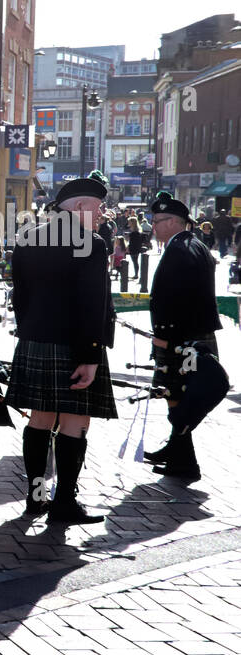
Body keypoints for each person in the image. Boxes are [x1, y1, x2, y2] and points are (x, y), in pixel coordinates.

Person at [6, 172, 116, 524]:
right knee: (75, 421)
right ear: (80, 206)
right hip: (73, 346)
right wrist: (90, 356)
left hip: (35, 341)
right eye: (97, 207)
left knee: (39, 420)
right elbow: (92, 305)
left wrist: (30, 331)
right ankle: (64, 502)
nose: (101, 214)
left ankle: (36, 498)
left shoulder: (28, 238)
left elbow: (18, 297)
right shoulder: (92, 244)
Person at [143, 191, 222, 481]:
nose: (154, 226)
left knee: (178, 397)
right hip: (187, 336)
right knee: (175, 396)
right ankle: (177, 452)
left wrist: (167, 335)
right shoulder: (189, 244)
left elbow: (180, 296)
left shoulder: (183, 249)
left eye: (158, 220)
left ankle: (184, 462)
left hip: (182, 338)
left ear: (175, 222)